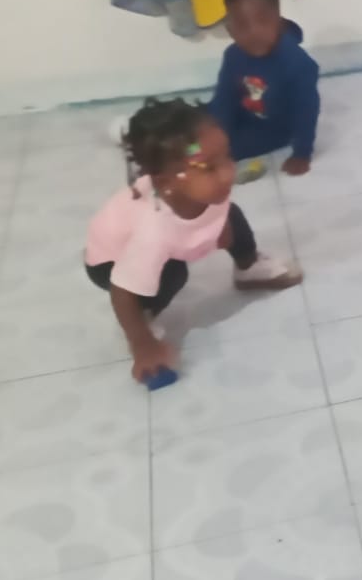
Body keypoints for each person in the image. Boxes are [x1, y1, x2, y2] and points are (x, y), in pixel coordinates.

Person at [84, 98, 304, 384]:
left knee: (232, 213)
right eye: (208, 167)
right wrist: (142, 345)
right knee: (174, 273)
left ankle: (248, 267)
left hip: (172, 224)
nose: (227, 173)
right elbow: (121, 290)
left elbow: (221, 210)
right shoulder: (153, 233)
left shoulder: (203, 188)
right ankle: (146, 312)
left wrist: (221, 231)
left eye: (226, 156)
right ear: (166, 182)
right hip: (110, 262)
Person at [207, 0, 320, 183]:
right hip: (243, 112)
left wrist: (302, 153)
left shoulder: (298, 64)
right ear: (230, 30)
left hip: (274, 127)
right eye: (242, 25)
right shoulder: (233, 55)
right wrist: (217, 130)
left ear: (279, 23)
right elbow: (224, 97)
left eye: (263, 22)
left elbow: (306, 112)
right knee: (197, 127)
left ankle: (195, 156)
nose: (254, 32)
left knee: (224, 149)